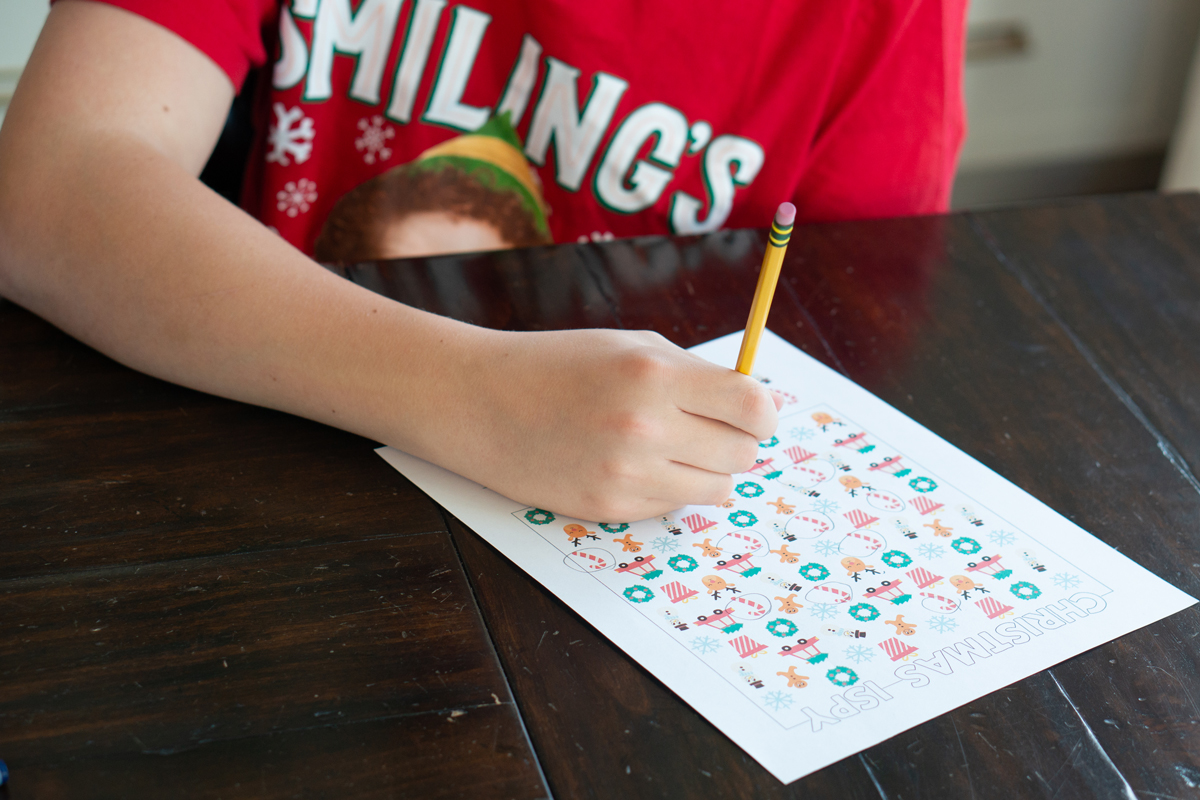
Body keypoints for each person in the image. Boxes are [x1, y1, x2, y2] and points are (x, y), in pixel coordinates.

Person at [0, 0, 965, 522]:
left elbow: (852, 326)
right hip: (278, 451)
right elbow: (44, 190)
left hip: (639, 535)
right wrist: (467, 391)